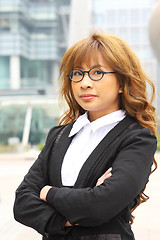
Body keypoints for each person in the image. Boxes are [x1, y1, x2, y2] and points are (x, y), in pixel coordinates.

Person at [14, 33, 157, 240]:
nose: (85, 83)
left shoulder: (137, 139)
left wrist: (47, 193)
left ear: (121, 83)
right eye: (78, 73)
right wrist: (66, 219)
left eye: (97, 72)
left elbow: (100, 206)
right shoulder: (59, 135)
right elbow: (22, 203)